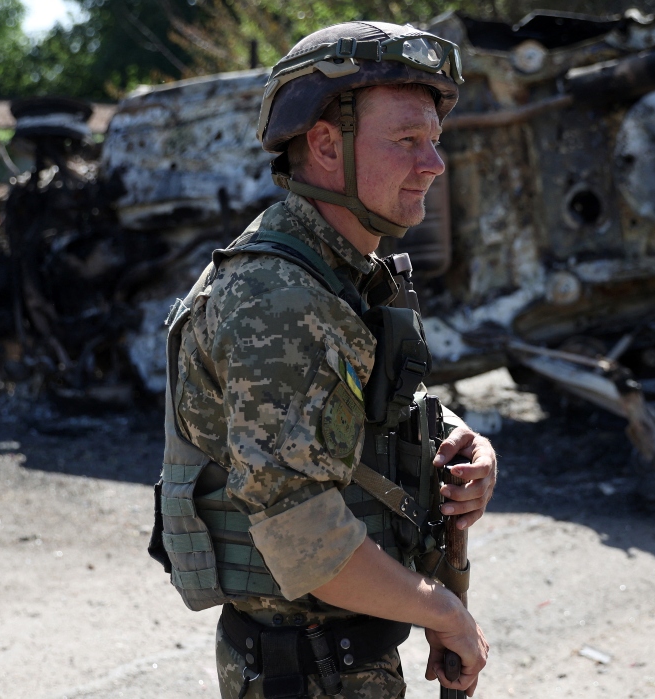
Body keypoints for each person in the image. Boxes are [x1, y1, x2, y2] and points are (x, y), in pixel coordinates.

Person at [151, 21, 494, 699]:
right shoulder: (280, 300)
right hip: (307, 670)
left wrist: (464, 441)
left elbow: (363, 410)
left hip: (338, 655)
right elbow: (305, 540)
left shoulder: (339, 274)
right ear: (326, 145)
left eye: (434, 140)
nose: (434, 164)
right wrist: (445, 612)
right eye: (406, 141)